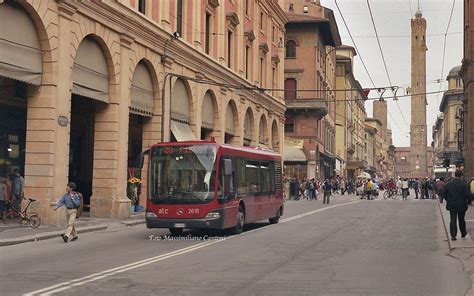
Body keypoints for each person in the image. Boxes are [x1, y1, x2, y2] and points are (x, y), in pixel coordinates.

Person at [443, 171, 473, 241]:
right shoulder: (464, 184)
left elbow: (445, 195)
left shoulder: (448, 184)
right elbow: (468, 194)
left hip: (452, 205)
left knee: (453, 219)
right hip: (462, 204)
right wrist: (470, 200)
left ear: (455, 175)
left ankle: (453, 235)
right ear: (461, 176)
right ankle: (463, 233)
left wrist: (449, 200)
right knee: (461, 219)